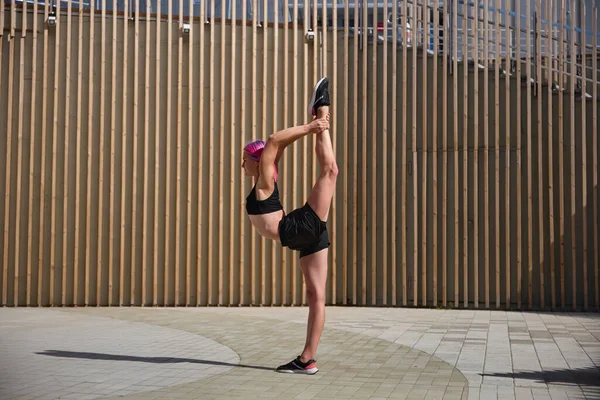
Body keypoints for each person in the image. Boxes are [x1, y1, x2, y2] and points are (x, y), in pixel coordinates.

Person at [243, 77, 337, 375]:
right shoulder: (266, 173)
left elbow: (273, 139)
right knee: (316, 296)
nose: (241, 165)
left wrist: (312, 128)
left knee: (331, 171)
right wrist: (311, 128)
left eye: (245, 159)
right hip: (302, 235)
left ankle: (320, 112)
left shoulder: (264, 182)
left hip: (295, 229)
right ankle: (307, 360)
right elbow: (277, 145)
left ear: (258, 163)